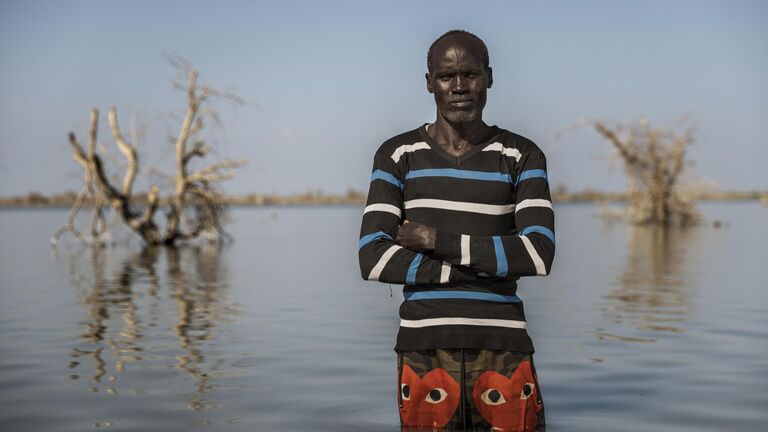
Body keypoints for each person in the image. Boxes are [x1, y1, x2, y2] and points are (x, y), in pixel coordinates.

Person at [358, 30, 555, 431]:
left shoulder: (521, 155)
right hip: (423, 349)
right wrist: (484, 266)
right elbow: (373, 259)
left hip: (504, 348)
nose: (460, 87)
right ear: (429, 82)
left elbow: (537, 254)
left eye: (472, 74)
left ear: (490, 77)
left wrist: (435, 241)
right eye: (447, 76)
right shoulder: (397, 156)